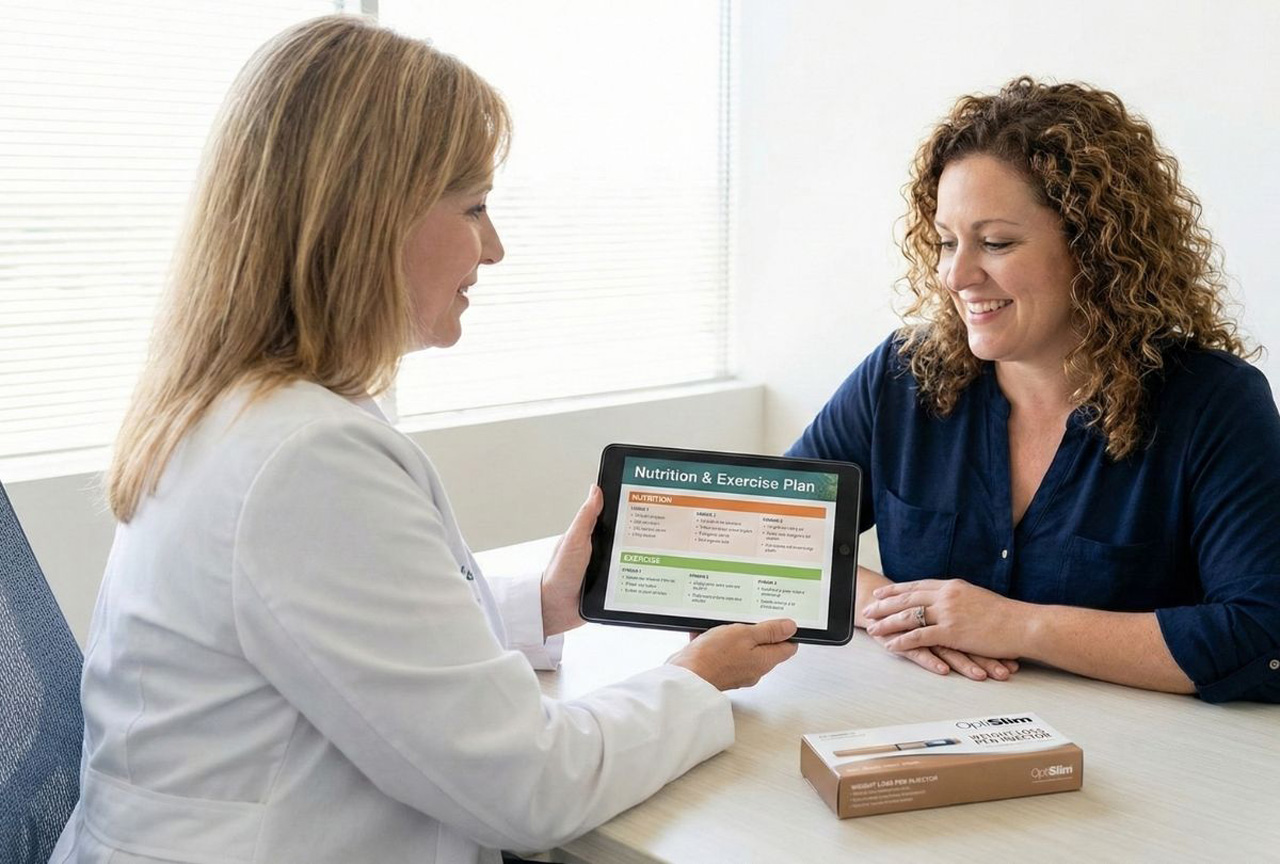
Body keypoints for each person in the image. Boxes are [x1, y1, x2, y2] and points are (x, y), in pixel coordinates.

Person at [51, 16, 798, 863]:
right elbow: (530, 787)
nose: (495, 248)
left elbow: (348, 647)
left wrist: (543, 604)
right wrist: (695, 682)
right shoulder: (303, 459)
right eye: (474, 207)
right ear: (369, 217)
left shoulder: (248, 410)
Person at [788, 77, 1280, 703]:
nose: (955, 275)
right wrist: (903, 612)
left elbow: (1264, 637)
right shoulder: (900, 376)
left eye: (995, 243)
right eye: (946, 242)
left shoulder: (1214, 404)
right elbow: (769, 539)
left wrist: (1018, 626)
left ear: (1095, 248)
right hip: (921, 725)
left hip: (1133, 754)